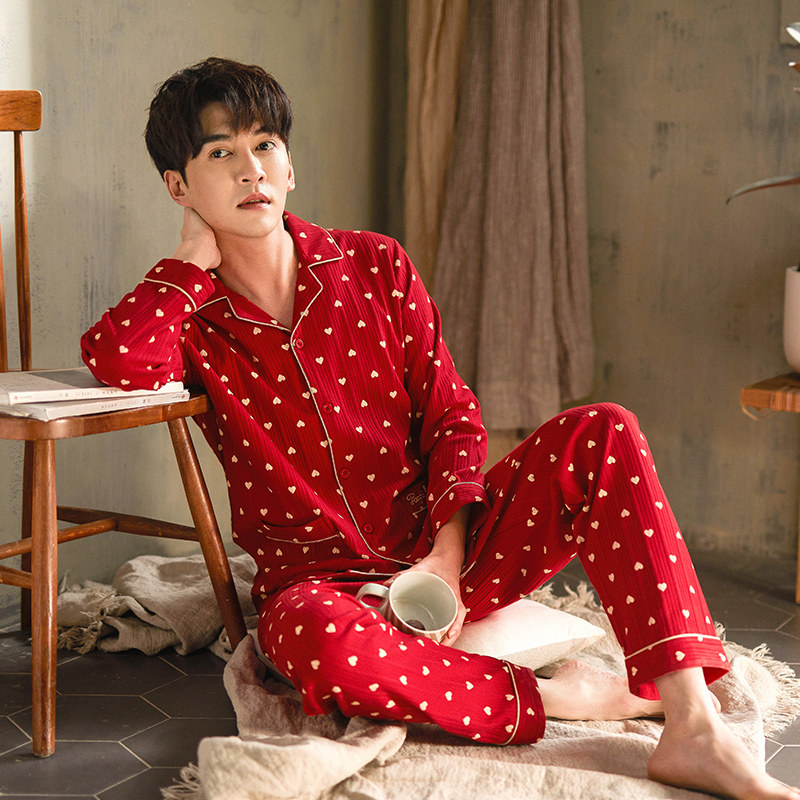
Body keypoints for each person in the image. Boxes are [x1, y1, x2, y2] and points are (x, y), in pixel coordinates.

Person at [81, 57, 799, 799]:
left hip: (446, 551)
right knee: (308, 646)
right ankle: (570, 698)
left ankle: (692, 727)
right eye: (219, 153)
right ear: (179, 187)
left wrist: (445, 561)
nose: (250, 170)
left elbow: (452, 418)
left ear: (289, 166)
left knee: (605, 430)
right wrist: (188, 261)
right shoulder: (192, 319)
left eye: (265, 145)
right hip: (321, 587)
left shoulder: (375, 265)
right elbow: (116, 359)